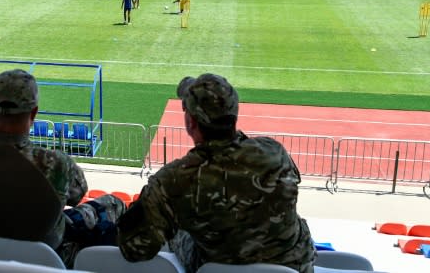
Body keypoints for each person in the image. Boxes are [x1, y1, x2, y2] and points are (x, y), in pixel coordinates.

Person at [117, 74, 315, 273]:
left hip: (216, 267)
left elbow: (135, 249)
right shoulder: (274, 153)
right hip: (294, 266)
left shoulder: (172, 181)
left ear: (191, 122)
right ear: (234, 114)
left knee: (181, 232)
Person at [0, 69, 126, 267]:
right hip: (49, 257)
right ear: (34, 112)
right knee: (114, 204)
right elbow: (77, 195)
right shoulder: (54, 162)